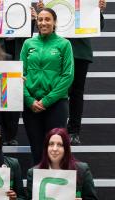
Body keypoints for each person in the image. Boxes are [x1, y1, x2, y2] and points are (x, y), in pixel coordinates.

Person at [36, 0, 107, 145]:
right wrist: (44, 12)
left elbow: (98, 26)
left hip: (79, 52)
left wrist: (97, 11)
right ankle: (54, 129)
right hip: (55, 51)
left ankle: (74, 131)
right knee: (55, 89)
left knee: (76, 92)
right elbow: (44, 28)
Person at [20, 8, 74, 164]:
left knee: (56, 151)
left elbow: (68, 76)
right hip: (31, 105)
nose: (43, 23)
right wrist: (29, 100)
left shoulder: (64, 44)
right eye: (40, 19)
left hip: (56, 103)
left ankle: (56, 187)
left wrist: (47, 100)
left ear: (54, 22)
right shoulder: (28, 43)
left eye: (47, 19)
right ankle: (37, 187)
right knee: (37, 150)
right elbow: (19, 75)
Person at [26, 128, 98, 200]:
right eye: (51, 144)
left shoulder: (82, 170)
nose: (54, 149)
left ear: (66, 148)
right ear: (46, 148)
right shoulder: (33, 173)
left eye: (60, 145)